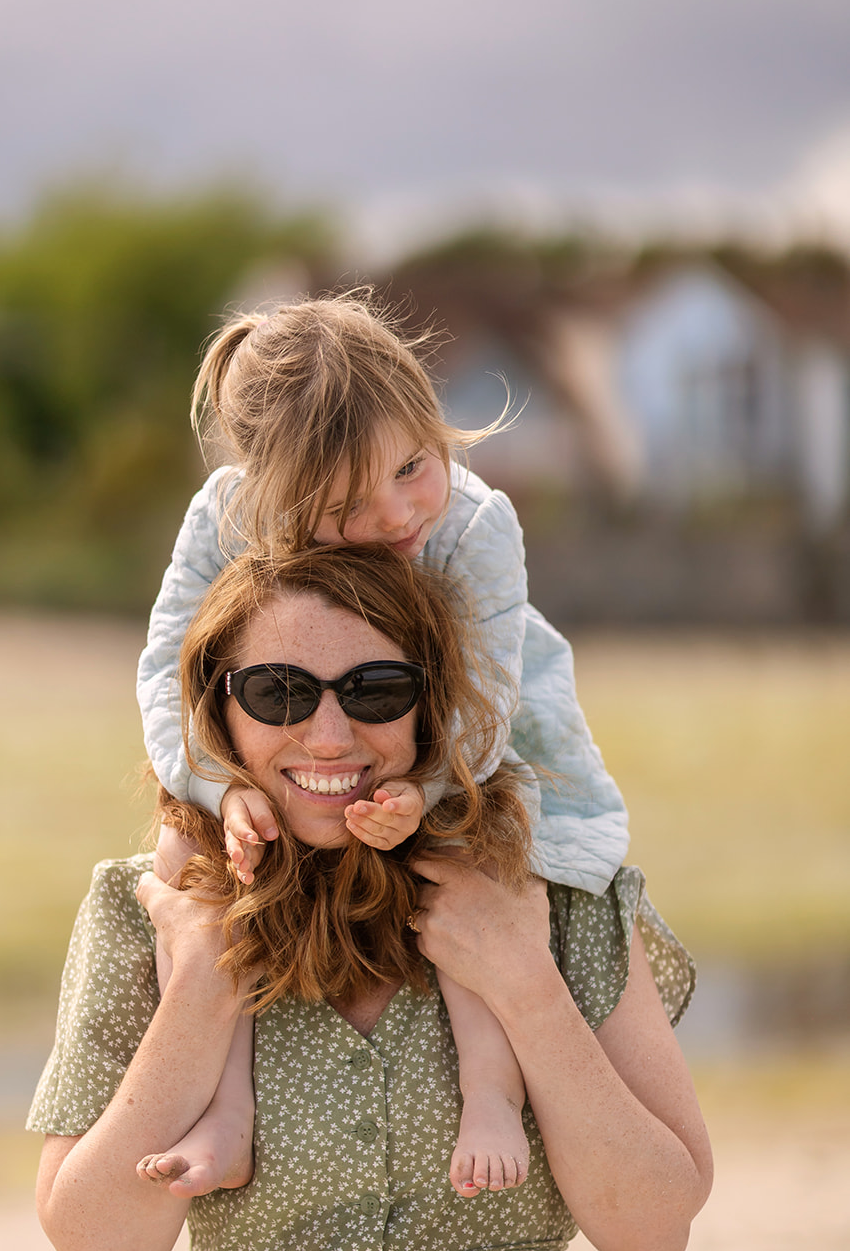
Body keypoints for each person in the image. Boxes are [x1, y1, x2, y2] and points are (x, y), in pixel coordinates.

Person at [31, 544, 711, 1251]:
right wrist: (202, 985)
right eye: (275, 692)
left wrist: (520, 981)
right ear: (215, 710)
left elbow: (653, 1236)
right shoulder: (150, 909)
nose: (326, 734)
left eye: (376, 689)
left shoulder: (561, 898)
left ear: (436, 702)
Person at [136, 292, 628, 1199]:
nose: (399, 512)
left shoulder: (475, 526)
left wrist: (430, 791)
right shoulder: (224, 516)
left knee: (475, 870)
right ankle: (226, 1112)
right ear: (279, 496)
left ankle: (488, 1090)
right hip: (306, 743)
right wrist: (217, 789)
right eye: (346, 504)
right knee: (191, 866)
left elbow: (487, 699)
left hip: (469, 747)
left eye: (412, 464)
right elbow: (168, 663)